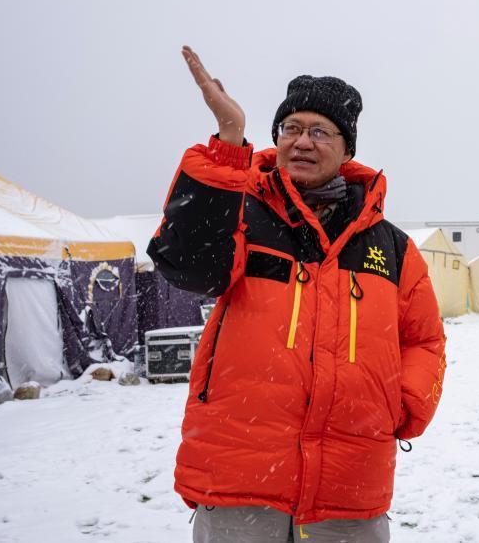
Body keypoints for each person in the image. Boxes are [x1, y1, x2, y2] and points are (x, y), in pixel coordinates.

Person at [148, 46, 446, 542]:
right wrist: (228, 141)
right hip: (240, 475)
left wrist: (401, 405)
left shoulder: (390, 246)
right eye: (291, 128)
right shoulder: (240, 213)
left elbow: (424, 340)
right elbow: (188, 266)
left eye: (320, 131)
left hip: (349, 483)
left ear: (347, 151)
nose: (302, 141)